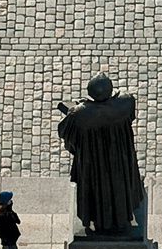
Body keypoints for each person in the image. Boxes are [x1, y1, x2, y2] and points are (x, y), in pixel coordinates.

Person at [58, 74, 143, 235]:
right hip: (120, 159)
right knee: (119, 186)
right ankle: (121, 216)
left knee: (96, 187)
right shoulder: (126, 102)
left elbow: (66, 133)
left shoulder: (78, 114)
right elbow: (129, 116)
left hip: (93, 162)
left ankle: (97, 219)